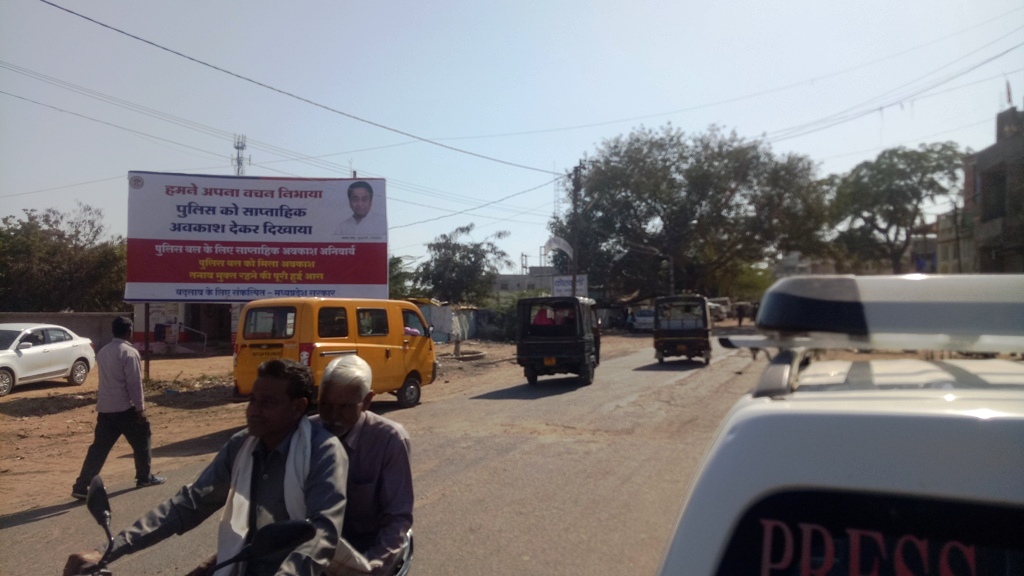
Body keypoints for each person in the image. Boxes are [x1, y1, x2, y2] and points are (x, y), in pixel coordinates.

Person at [63, 359, 348, 576]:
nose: (254, 410)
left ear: (298, 407)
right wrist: (107, 551)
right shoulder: (242, 446)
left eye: (268, 402)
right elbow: (190, 503)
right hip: (239, 565)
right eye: (252, 400)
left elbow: (321, 534)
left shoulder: (322, 452)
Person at [316, 356, 413, 576]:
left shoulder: (389, 440)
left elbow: (396, 519)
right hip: (317, 551)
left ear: (367, 401)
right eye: (325, 405)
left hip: (369, 548)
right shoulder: (307, 434)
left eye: (344, 407)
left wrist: (371, 566)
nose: (332, 417)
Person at [72, 316, 164, 500]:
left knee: (98, 449)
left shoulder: (104, 352)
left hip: (105, 409)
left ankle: (82, 485)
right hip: (125, 409)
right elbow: (134, 384)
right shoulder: (129, 353)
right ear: (129, 331)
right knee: (142, 439)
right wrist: (140, 409)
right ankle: (144, 477)